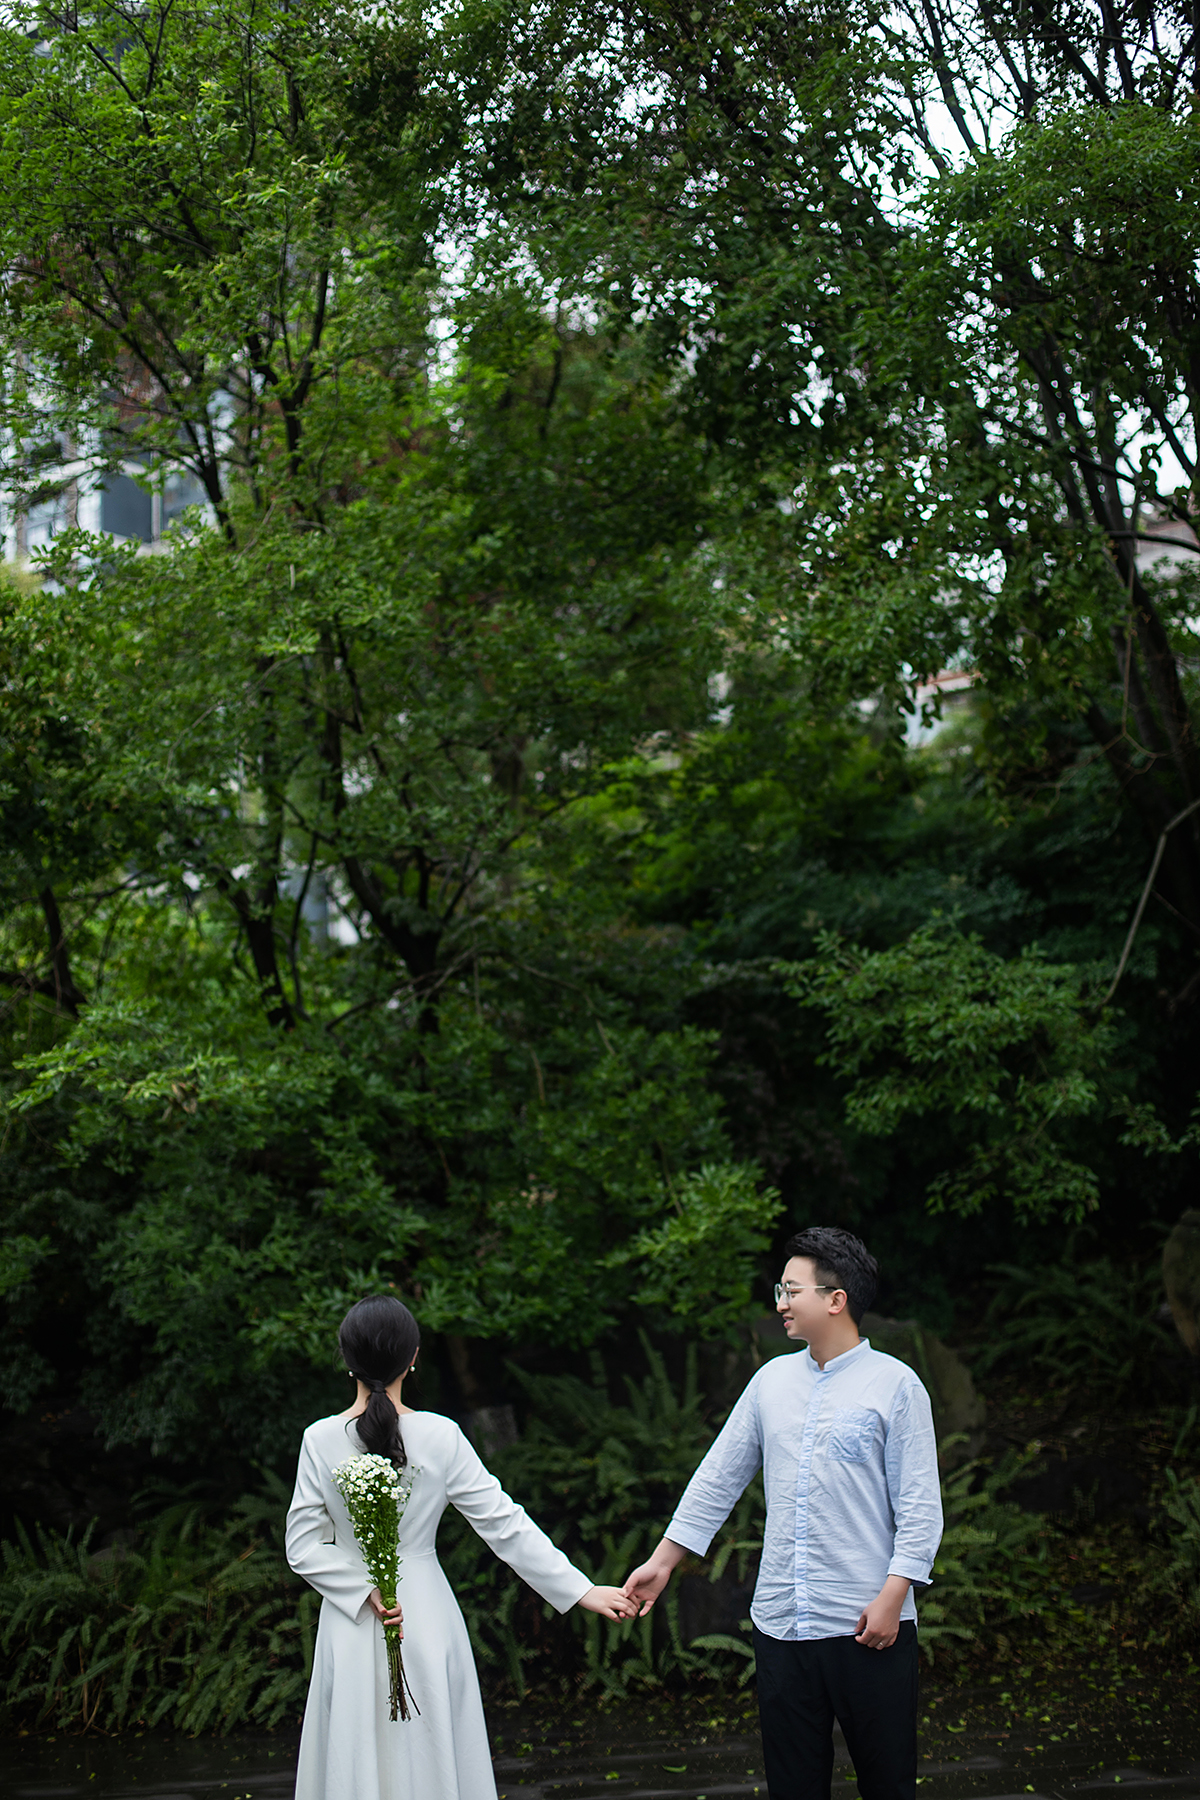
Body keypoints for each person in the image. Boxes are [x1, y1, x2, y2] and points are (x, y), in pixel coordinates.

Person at [622, 1227, 943, 1800]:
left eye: (791, 1290)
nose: (780, 1303)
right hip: (781, 1625)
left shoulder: (896, 1384)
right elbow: (718, 1478)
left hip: (869, 1624)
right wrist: (663, 1562)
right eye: (781, 1290)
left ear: (836, 1299)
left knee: (888, 1784)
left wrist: (894, 1597)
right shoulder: (770, 1382)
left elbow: (920, 1507)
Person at [286, 1294, 635, 1800]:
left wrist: (363, 1591)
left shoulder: (320, 1439)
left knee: (353, 1751)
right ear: (414, 1357)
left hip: (352, 1620)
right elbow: (503, 1523)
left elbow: (302, 1547)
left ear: (347, 1360)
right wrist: (581, 1590)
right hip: (425, 1614)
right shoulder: (441, 1434)